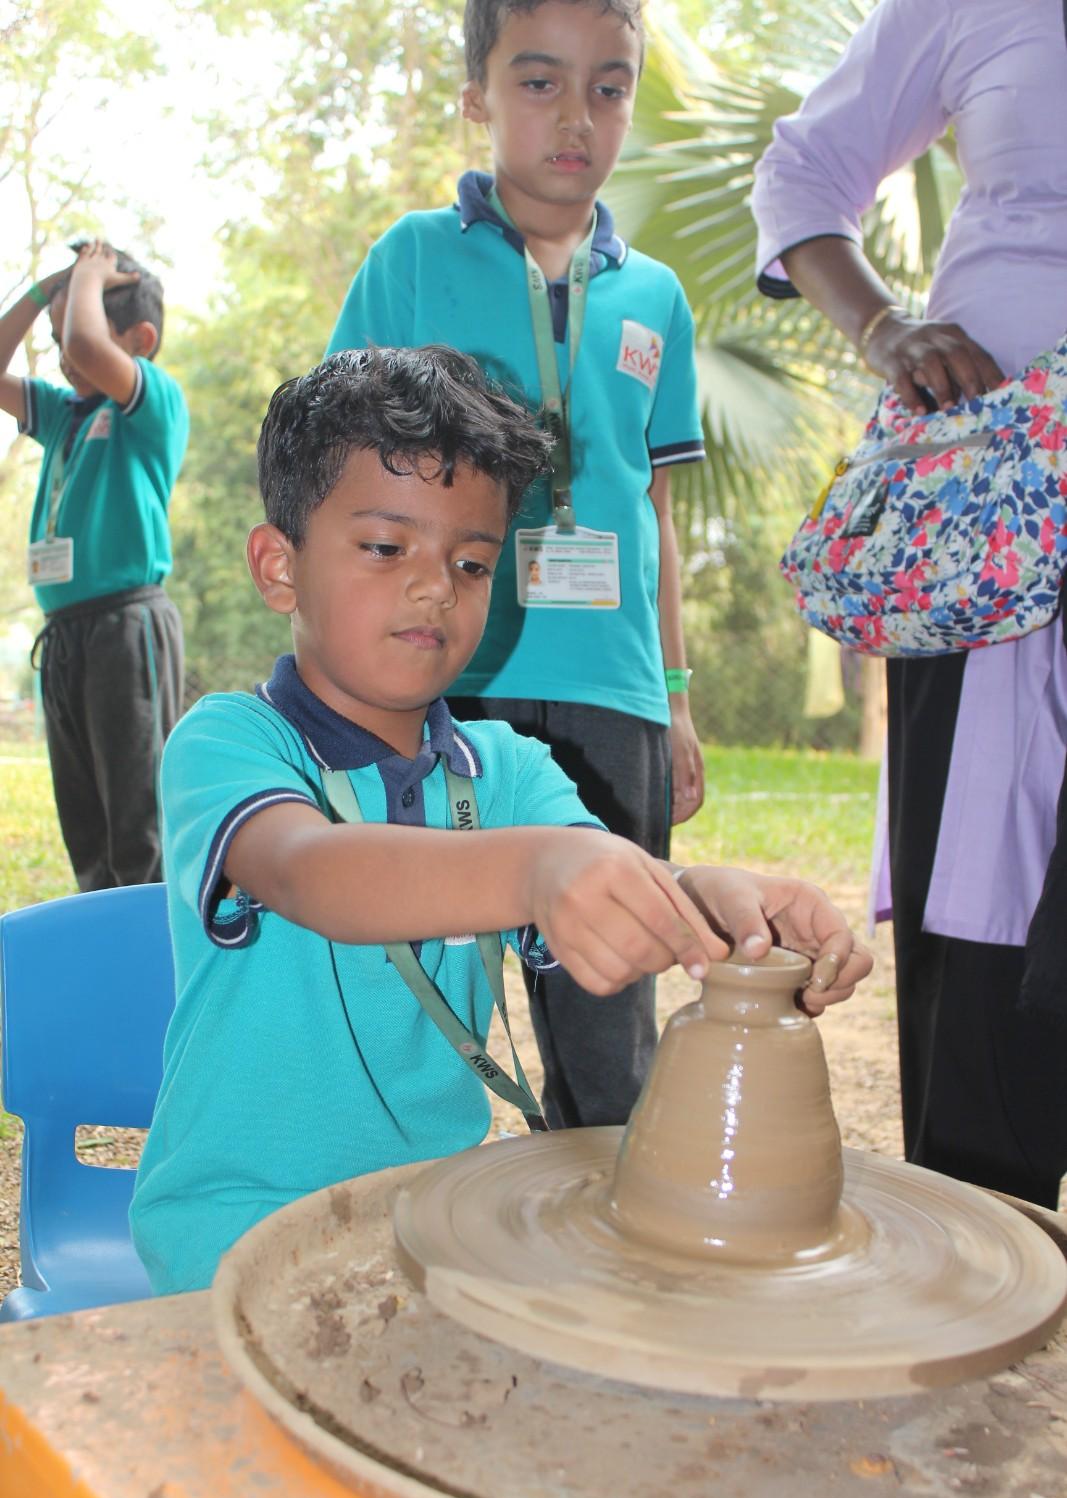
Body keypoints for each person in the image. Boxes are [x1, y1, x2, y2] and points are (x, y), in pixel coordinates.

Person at [129, 346, 871, 1295]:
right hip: (232, 1234)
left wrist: (721, 909)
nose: (436, 585)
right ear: (279, 566)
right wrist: (534, 872)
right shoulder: (229, 743)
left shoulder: (508, 772)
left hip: (433, 1221)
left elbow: (594, 877)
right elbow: (311, 872)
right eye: (387, 548)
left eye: (471, 562)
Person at [326, 0, 708, 1131]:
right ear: (476, 96)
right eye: (538, 82)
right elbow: (344, 467)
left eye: (609, 84)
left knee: (606, 1009)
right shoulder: (408, 259)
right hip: (446, 671)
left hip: (613, 689)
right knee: (416, 985)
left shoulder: (655, 297)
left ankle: (600, 1256)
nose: (576, 116)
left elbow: (655, 509)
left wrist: (675, 697)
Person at [751, 0, 1067, 1207]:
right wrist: (883, 327)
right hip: (979, 516)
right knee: (979, 962)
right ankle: (980, 1303)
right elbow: (803, 169)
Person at [0, 240, 188, 891]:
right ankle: (107, 960)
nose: (63, 355)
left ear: (139, 339)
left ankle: (155, 972)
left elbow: (85, 347)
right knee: (87, 830)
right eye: (52, 339)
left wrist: (90, 273)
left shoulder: (150, 406)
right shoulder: (63, 416)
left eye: (72, 331)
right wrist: (41, 289)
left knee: (139, 827)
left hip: (124, 625)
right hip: (67, 634)